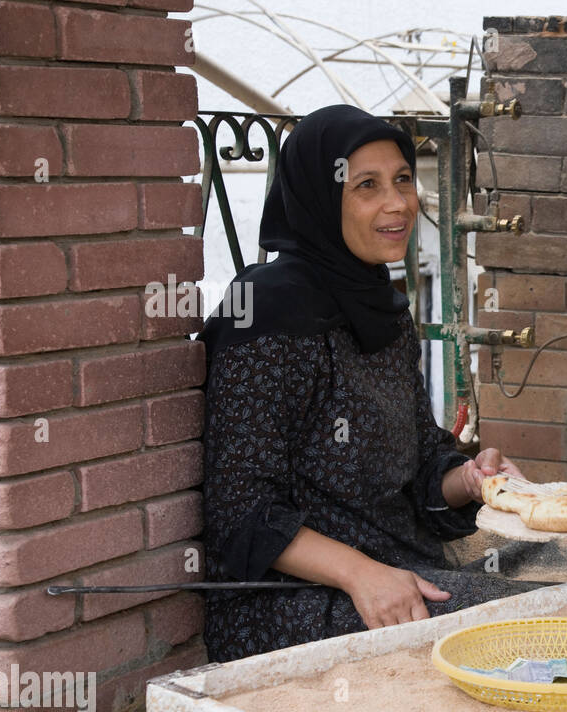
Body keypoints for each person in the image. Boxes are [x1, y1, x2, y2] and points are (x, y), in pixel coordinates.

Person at [197, 105, 546, 663]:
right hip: (297, 601)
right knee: (527, 628)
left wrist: (470, 478)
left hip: (398, 564)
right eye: (366, 186)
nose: (398, 203)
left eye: (402, 179)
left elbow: (419, 456)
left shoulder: (377, 305)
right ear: (318, 196)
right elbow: (242, 512)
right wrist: (362, 574)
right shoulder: (265, 315)